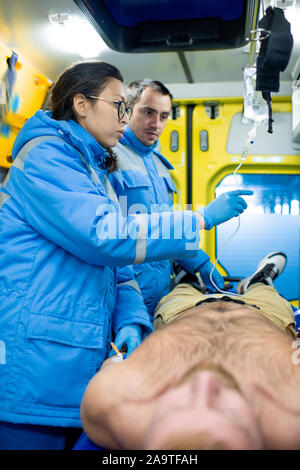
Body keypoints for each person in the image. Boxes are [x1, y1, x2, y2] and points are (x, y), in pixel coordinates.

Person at [0, 61, 252, 450]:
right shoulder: (46, 159)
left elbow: (115, 266)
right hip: (38, 361)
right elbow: (107, 238)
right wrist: (199, 218)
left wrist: (131, 318)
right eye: (121, 106)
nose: (126, 116)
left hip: (73, 349)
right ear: (81, 105)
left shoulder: (92, 167)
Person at [80, 251, 300, 450]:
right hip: (264, 316)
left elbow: (114, 362)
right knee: (267, 294)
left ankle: (186, 279)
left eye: (175, 410)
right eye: (228, 413)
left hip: (182, 313)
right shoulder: (292, 416)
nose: (205, 382)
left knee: (182, 289)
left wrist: (120, 358)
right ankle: (261, 281)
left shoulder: (110, 404)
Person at [109, 79, 226, 317]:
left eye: (164, 116)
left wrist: (196, 258)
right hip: (122, 293)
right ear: (127, 109)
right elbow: (111, 234)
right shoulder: (111, 156)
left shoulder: (160, 166)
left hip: (159, 291)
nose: (156, 123)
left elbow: (165, 225)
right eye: (148, 112)